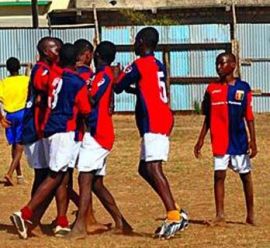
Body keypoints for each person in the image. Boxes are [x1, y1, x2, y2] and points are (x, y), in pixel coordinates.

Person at [10, 43, 91, 240]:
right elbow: (85, 109)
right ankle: (27, 214)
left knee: (61, 176)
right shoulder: (48, 73)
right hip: (53, 130)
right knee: (51, 175)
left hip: (51, 129)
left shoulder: (56, 76)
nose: (57, 51)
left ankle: (60, 221)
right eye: (55, 48)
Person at [114, 27, 188, 239]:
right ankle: (175, 207)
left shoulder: (139, 64)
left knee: (153, 167)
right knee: (144, 168)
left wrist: (116, 75)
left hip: (154, 119)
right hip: (162, 115)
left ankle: (174, 215)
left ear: (141, 42)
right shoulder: (157, 64)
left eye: (136, 42)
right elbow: (149, 87)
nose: (134, 46)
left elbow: (117, 86)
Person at [68, 41, 132, 239]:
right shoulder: (102, 75)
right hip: (99, 132)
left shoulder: (102, 76)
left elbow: (91, 97)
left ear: (96, 56)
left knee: (84, 178)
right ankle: (122, 223)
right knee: (96, 184)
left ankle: (80, 225)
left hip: (97, 133)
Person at [194, 52, 257, 226]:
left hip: (238, 140)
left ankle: (250, 214)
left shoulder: (243, 88)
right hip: (220, 139)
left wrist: (253, 141)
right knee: (219, 175)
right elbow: (208, 117)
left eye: (222, 63)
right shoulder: (212, 89)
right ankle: (220, 215)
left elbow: (249, 117)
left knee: (245, 176)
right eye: (217, 64)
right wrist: (201, 140)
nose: (219, 67)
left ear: (233, 64)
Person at [0, 57, 29, 186]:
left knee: (14, 145)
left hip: (9, 115)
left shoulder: (4, 83)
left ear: (7, 69)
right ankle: (10, 173)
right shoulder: (26, 80)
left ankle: (19, 175)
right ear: (19, 67)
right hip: (22, 113)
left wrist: (1, 118)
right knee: (20, 145)